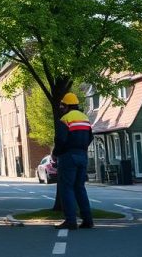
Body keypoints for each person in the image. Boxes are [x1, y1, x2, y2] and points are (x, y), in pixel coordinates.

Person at [53, 92, 94, 230]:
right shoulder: (85, 118)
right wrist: (81, 149)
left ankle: (70, 221)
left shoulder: (65, 119)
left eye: (62, 106)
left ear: (67, 106)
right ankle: (88, 220)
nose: (61, 108)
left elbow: (60, 140)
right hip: (82, 155)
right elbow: (90, 138)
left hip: (68, 156)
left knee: (67, 188)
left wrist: (55, 153)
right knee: (80, 187)